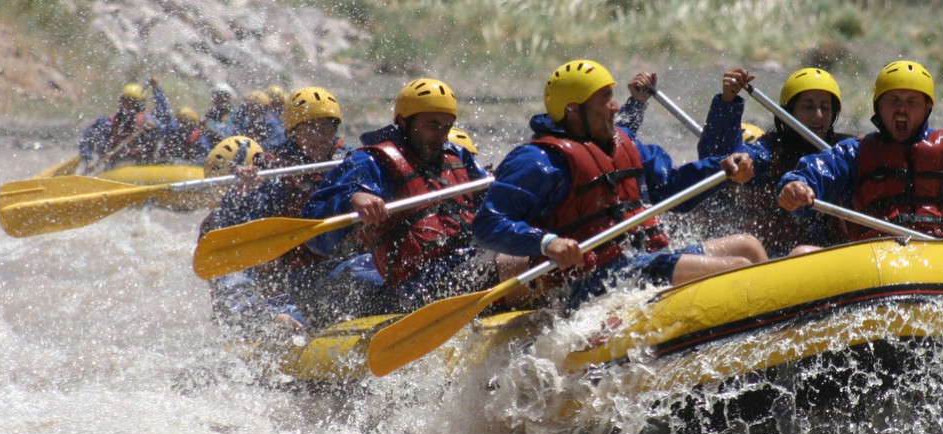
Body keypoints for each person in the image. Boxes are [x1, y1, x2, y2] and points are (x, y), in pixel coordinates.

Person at [473, 59, 768, 311]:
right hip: (594, 281)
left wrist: (721, 169)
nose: (615, 107)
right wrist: (547, 243)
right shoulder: (537, 161)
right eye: (605, 99)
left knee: (748, 246)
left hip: (640, 261)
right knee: (737, 270)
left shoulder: (623, 144)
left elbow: (673, 189)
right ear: (574, 110)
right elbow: (488, 224)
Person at [778, 60, 943, 250]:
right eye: (893, 101)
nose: (902, 110)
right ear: (878, 108)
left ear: (927, 107)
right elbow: (810, 174)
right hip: (884, 265)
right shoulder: (854, 154)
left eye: (911, 102)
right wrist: (796, 187)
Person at [302, 78, 496, 320]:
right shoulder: (373, 162)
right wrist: (351, 199)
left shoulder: (458, 157)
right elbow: (316, 237)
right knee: (509, 261)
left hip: (467, 266)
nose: (440, 135)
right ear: (404, 122)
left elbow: (499, 210)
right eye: (432, 125)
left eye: (447, 126)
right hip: (416, 288)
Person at [199, 86, 348, 332]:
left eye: (326, 128)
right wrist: (243, 193)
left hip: (332, 264)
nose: (319, 136)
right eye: (310, 129)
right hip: (288, 274)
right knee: (234, 273)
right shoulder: (272, 170)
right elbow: (243, 224)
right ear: (293, 132)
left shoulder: (348, 160)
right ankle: (265, 318)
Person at [692, 67, 856, 257]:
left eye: (825, 107)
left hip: (833, 255)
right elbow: (718, 160)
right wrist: (728, 102)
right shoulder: (770, 150)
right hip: (776, 257)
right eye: (808, 106)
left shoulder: (844, 152)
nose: (818, 115)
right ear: (789, 112)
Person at [77, 79, 175, 172]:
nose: (128, 106)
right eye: (126, 101)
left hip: (143, 164)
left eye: (133, 102)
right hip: (115, 165)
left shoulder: (150, 122)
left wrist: (156, 89)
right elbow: (87, 140)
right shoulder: (107, 123)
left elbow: (165, 117)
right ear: (121, 102)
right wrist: (88, 159)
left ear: (140, 104)